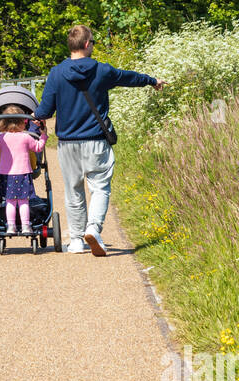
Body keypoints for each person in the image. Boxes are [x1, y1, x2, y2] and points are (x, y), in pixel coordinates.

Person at [35, 24, 164, 257]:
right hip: (95, 140)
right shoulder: (101, 71)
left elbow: (45, 110)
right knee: (100, 187)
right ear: (87, 45)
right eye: (93, 42)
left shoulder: (56, 73)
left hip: (67, 144)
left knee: (73, 191)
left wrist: (35, 118)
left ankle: (75, 241)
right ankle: (93, 227)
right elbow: (128, 77)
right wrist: (151, 80)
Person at [0, 106, 47, 235]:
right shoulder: (26, 137)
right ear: (23, 122)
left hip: (7, 175)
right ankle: (26, 226)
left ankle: (10, 226)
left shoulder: (2, 137)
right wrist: (43, 135)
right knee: (24, 201)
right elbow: (38, 147)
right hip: (23, 174)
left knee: (9, 201)